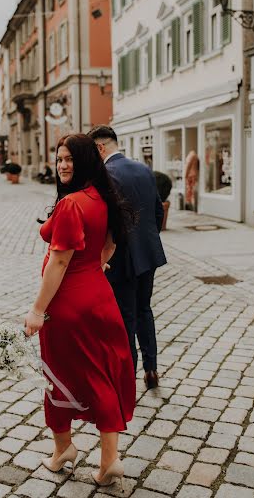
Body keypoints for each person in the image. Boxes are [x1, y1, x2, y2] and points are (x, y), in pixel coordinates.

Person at [25, 134, 135, 489]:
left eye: (70, 158)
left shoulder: (72, 204)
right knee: (101, 375)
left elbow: (58, 262)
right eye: (59, 159)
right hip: (99, 299)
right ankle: (108, 461)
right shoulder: (101, 199)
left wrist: (37, 311)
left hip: (69, 304)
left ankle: (62, 450)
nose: (62, 164)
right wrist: (96, 266)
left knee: (56, 376)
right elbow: (111, 242)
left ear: (87, 160)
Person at [88, 125, 166, 390]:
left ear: (100, 148)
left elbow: (103, 222)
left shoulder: (104, 174)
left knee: (125, 317)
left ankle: (127, 380)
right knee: (145, 309)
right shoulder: (144, 168)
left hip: (121, 255)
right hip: (148, 253)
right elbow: (157, 212)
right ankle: (152, 369)